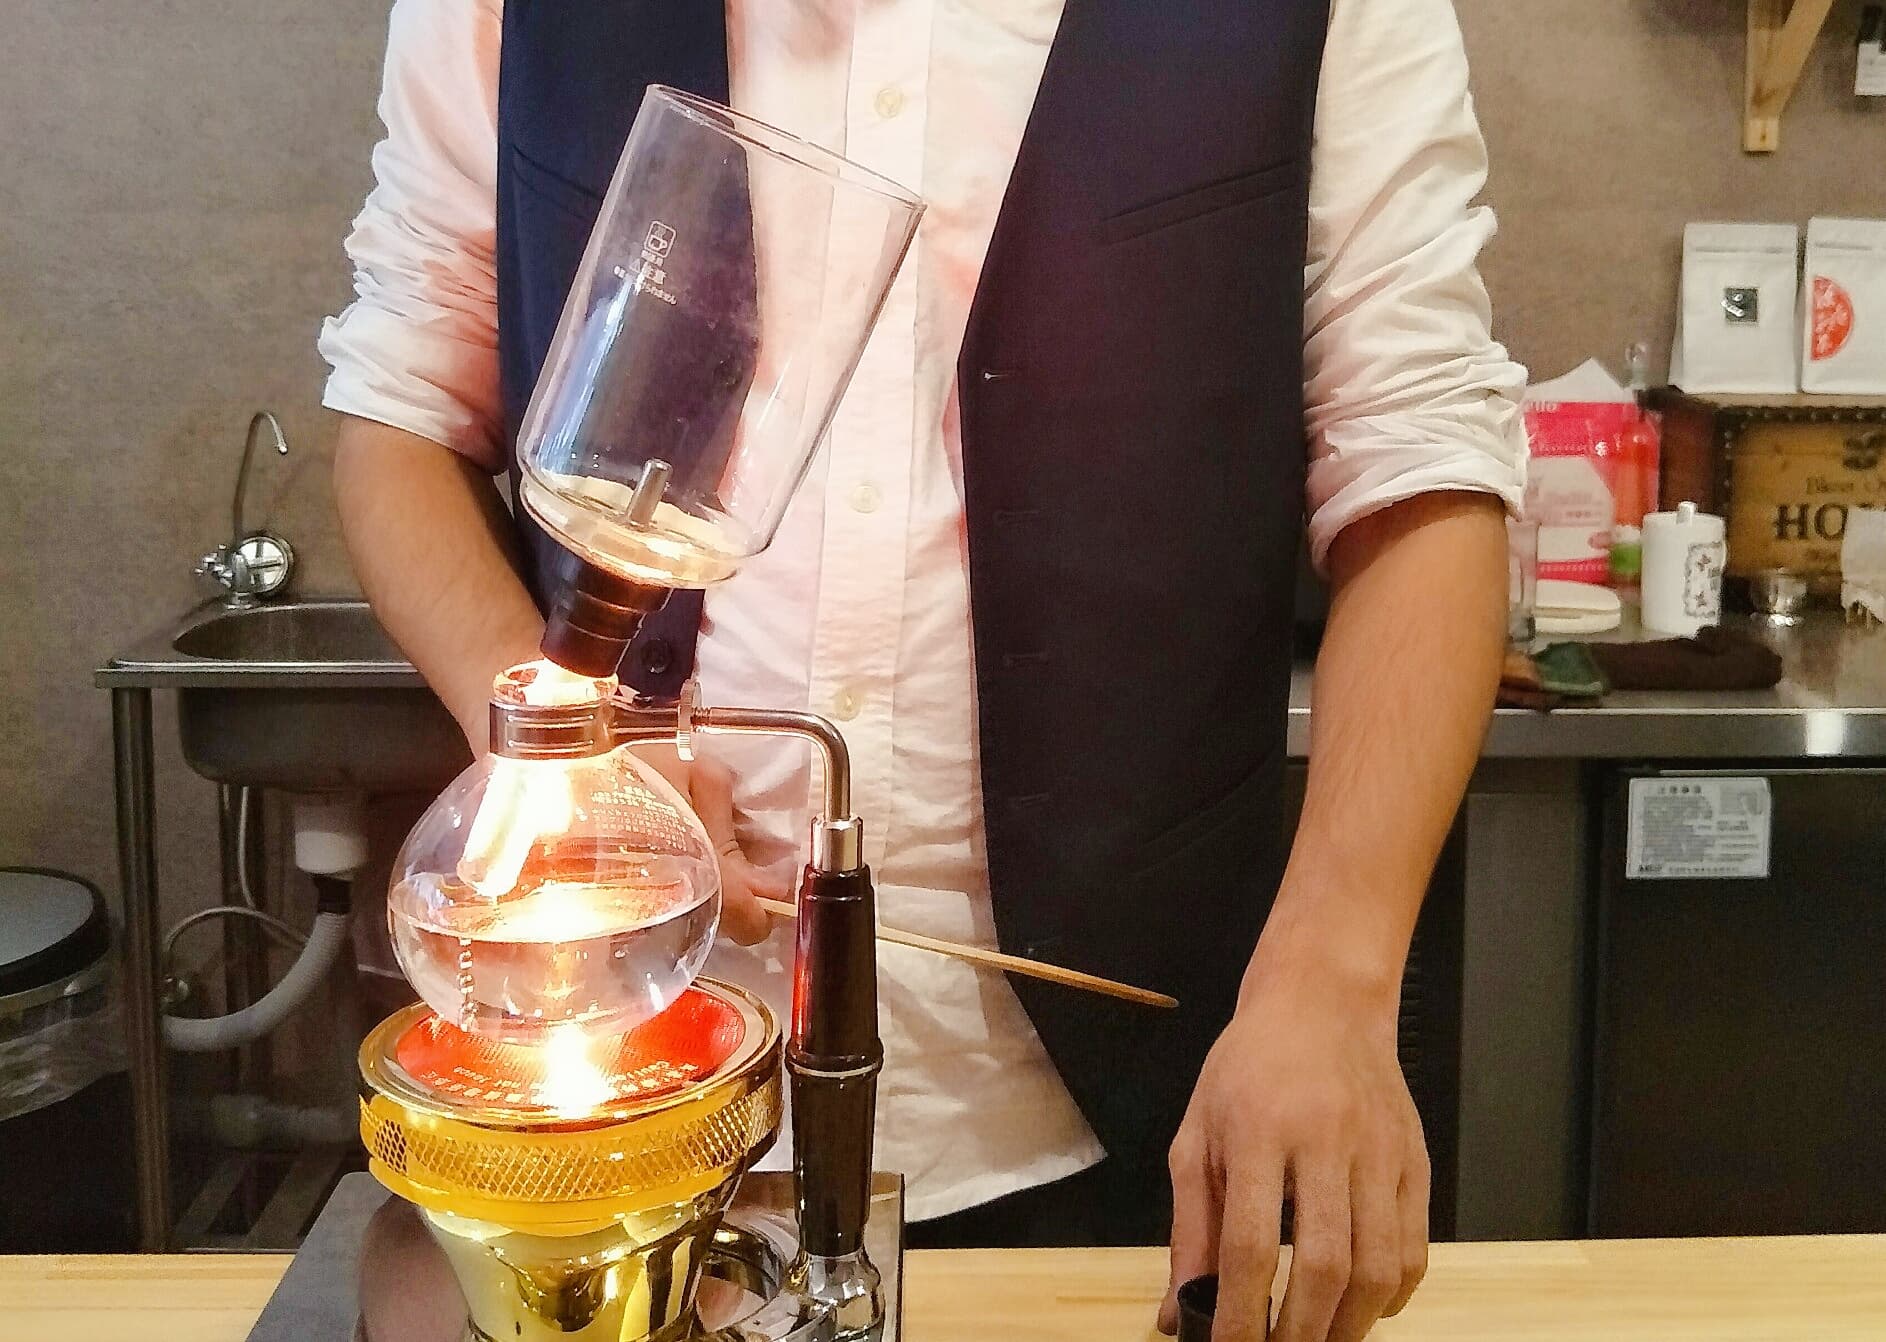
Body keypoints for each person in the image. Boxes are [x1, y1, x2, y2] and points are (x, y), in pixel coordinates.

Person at [320, 4, 1527, 1339]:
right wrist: (565, 739)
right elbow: (401, 413)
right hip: (621, 1118)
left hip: (1123, 1125)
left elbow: (1421, 466)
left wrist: (1333, 981)